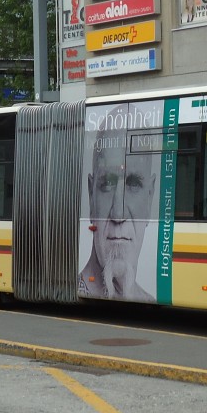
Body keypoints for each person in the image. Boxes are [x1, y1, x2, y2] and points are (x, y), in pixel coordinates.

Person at [78, 127, 158, 302]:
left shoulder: (149, 300)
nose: (118, 214)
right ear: (91, 196)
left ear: (150, 197)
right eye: (107, 184)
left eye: (134, 184)